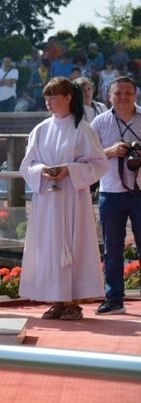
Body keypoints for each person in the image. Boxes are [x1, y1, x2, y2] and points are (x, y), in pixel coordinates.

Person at [19, 77, 109, 320]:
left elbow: (100, 164)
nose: (48, 102)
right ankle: (57, 301)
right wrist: (42, 171)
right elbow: (28, 165)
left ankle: (73, 302)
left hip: (72, 198)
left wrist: (70, 169)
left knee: (73, 245)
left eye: (53, 97)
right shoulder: (40, 129)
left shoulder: (83, 129)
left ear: (68, 98)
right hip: (47, 199)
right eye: (46, 97)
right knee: (49, 247)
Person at [90, 76, 141, 315]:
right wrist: (110, 151)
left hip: (140, 191)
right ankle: (114, 299)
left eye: (128, 93)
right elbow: (86, 155)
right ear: (109, 96)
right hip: (110, 191)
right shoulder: (99, 122)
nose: (123, 97)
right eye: (118, 93)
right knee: (112, 249)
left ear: (135, 94)